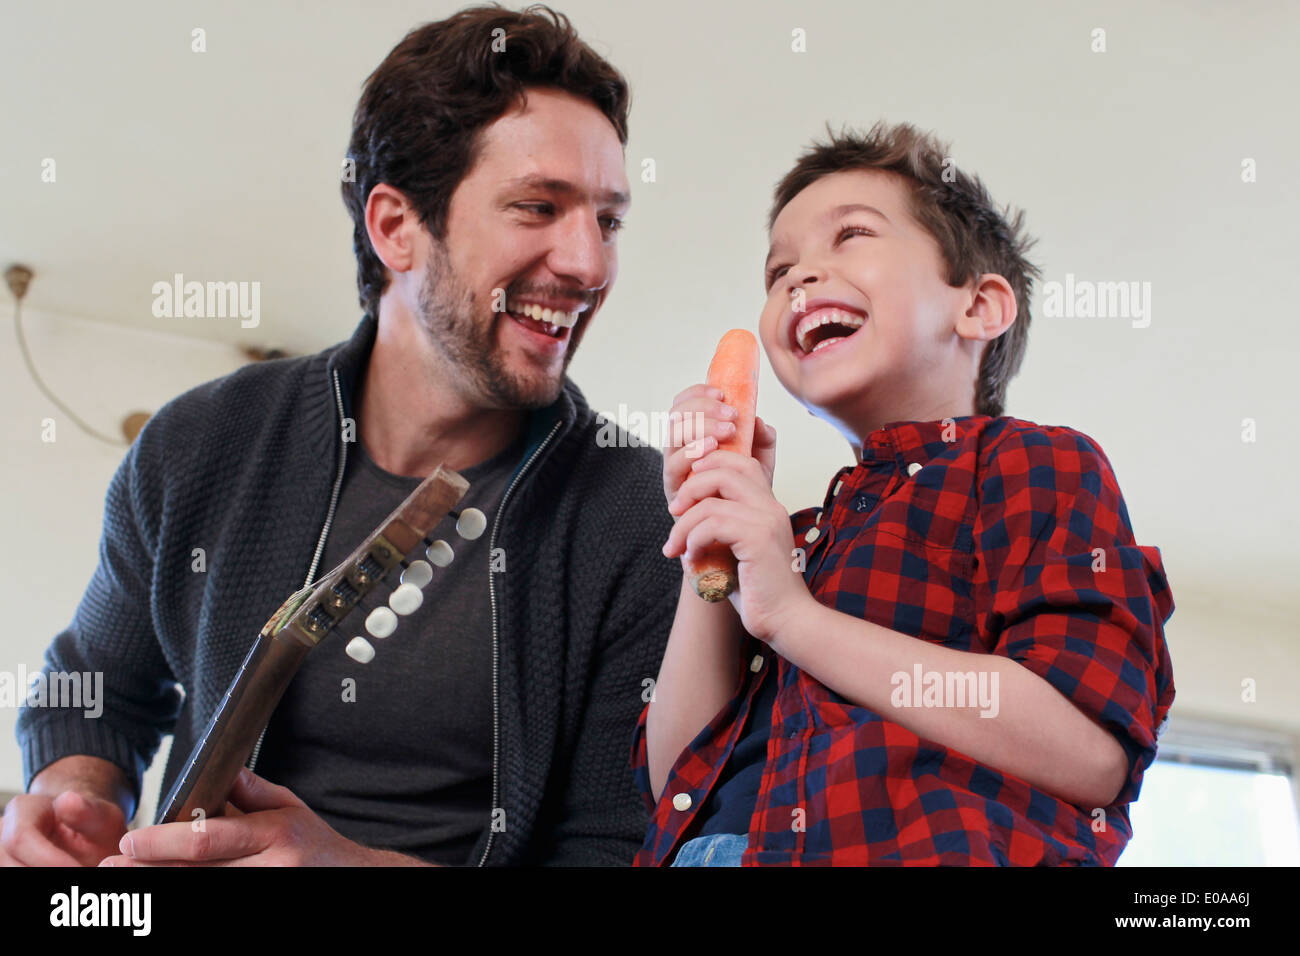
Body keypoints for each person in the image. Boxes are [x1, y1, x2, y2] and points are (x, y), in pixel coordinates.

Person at [6, 4, 678, 867]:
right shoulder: (200, 445)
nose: (589, 264)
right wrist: (72, 798)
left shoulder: (640, 515)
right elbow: (89, 686)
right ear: (396, 225)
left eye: (609, 220)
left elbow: (614, 853)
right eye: (537, 206)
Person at [634, 120, 1175, 866]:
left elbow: (1088, 751)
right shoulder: (787, 540)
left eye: (851, 235)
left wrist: (792, 616)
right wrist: (711, 549)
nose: (799, 276)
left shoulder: (1036, 462)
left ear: (979, 307)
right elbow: (677, 783)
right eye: (777, 269)